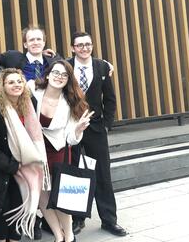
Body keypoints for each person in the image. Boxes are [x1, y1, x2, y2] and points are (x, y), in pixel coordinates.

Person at [68, 32, 127, 237]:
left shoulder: (101, 66)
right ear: (73, 48)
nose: (84, 48)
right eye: (80, 45)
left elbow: (109, 98)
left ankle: (109, 220)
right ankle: (77, 219)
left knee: (103, 175)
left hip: (96, 128)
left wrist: (107, 125)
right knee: (75, 173)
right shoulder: (65, 66)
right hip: (72, 128)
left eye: (88, 44)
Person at [31, 60, 93, 242]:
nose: (59, 77)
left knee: (60, 197)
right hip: (34, 151)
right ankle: (58, 235)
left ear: (68, 80)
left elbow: (70, 139)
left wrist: (78, 130)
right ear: (48, 75)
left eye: (64, 75)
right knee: (42, 195)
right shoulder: (32, 91)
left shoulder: (71, 102)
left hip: (57, 151)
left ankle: (70, 236)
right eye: (56, 73)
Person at [0, 68, 47, 241]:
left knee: (18, 213)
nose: (16, 85)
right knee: (4, 213)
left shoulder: (29, 103)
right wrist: (13, 166)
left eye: (19, 81)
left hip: (27, 166)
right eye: (11, 82)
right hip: (4, 169)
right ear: (2, 86)